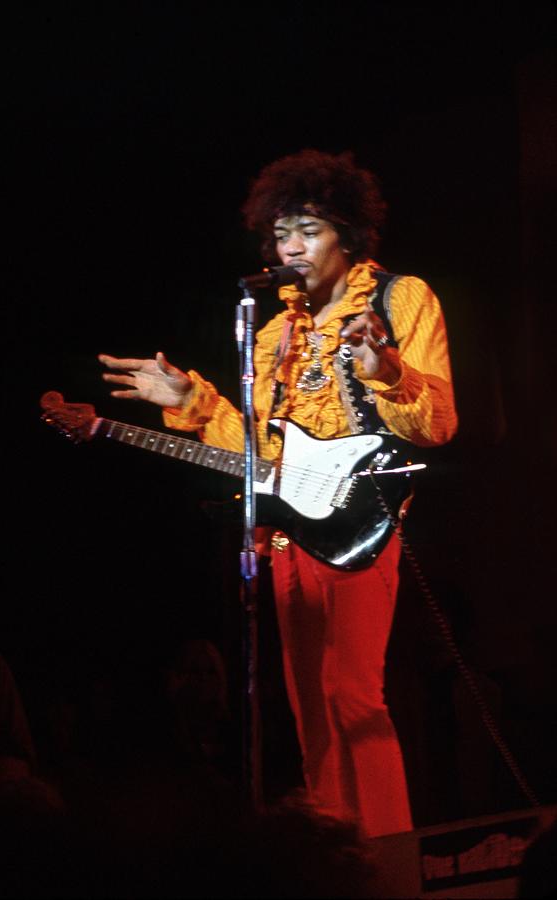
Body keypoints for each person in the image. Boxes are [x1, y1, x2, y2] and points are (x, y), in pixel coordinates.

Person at [98, 148, 458, 838]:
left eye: (310, 228)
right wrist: (194, 402)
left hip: (362, 520)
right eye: (282, 233)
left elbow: (436, 425)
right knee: (308, 705)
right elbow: (261, 454)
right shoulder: (273, 333)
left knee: (352, 692)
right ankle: (336, 848)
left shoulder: (398, 297)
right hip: (291, 529)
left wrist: (385, 368)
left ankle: (388, 852)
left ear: (347, 235)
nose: (291, 246)